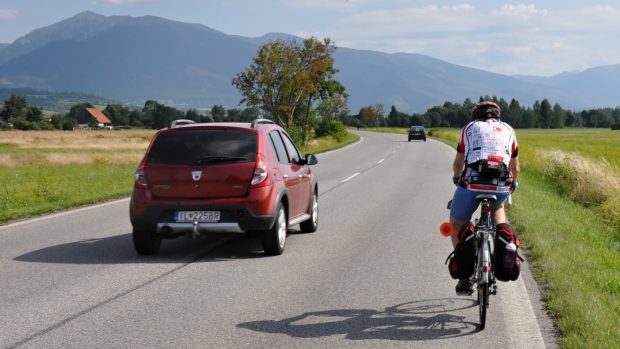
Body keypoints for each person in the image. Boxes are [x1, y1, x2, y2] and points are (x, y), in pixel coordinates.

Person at [449, 101, 520, 295]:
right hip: (501, 185)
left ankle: (464, 275)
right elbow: (515, 168)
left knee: (456, 222)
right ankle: (502, 239)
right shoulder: (508, 130)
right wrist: (512, 184)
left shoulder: (469, 128)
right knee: (498, 207)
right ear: (497, 115)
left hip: (472, 184)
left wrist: (457, 179)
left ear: (476, 115)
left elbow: (458, 163)